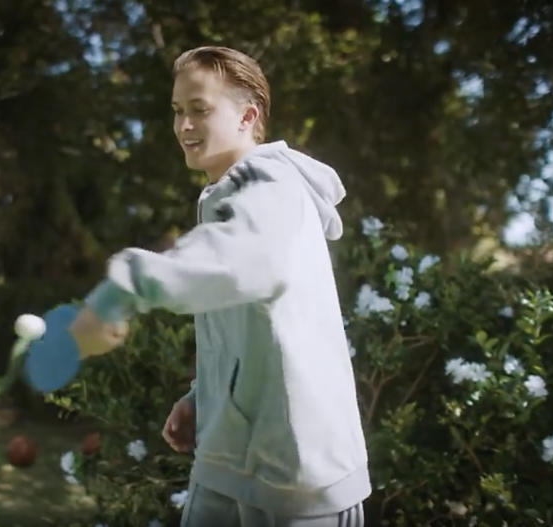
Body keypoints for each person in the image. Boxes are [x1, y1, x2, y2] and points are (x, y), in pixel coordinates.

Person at [69, 46, 371, 526]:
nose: (184, 126)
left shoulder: (272, 185)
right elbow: (248, 321)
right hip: (227, 464)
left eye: (199, 110)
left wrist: (124, 285)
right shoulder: (231, 197)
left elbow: (235, 266)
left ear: (247, 116)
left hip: (297, 483)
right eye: (178, 112)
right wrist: (204, 397)